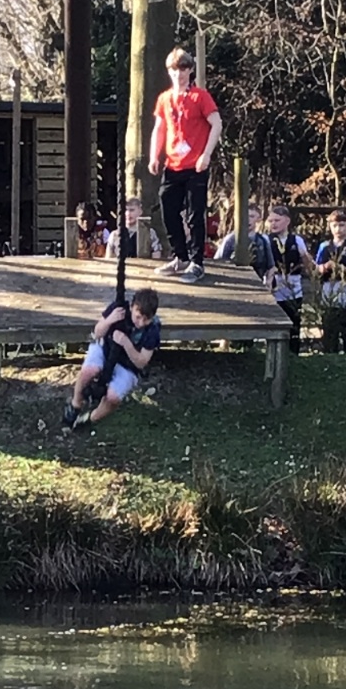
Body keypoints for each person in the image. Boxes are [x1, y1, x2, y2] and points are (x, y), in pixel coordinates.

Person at [148, 46, 222, 285]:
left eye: (182, 69)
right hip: (173, 164)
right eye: (174, 70)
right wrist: (154, 156)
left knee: (195, 214)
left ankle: (196, 261)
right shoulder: (164, 98)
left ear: (190, 70)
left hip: (195, 166)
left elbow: (216, 123)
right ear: (168, 71)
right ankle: (179, 256)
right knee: (167, 207)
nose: (178, 74)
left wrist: (206, 154)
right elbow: (159, 128)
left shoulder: (200, 96)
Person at [64, 287, 161, 429]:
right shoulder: (118, 308)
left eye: (146, 320)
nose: (140, 323)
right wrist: (109, 320)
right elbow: (97, 333)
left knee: (113, 397)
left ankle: (89, 419)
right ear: (132, 307)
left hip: (128, 364)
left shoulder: (153, 329)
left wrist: (126, 343)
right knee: (89, 371)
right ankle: (75, 404)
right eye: (138, 317)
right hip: (106, 348)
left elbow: (141, 362)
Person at [262, 202, 314, 353]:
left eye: (277, 220)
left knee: (293, 322)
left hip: (293, 288)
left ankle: (293, 353)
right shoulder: (265, 240)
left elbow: (307, 261)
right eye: (271, 221)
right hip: (273, 287)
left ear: (287, 221)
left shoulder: (296, 240)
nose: (273, 224)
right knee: (273, 322)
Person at [314, 209, 346, 354]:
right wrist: (323, 268)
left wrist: (339, 268)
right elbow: (316, 269)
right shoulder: (324, 246)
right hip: (328, 294)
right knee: (330, 334)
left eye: (341, 225)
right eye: (334, 225)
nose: (338, 229)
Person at [106, 196, 162, 261]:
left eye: (132, 210)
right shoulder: (114, 235)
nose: (128, 213)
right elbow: (109, 260)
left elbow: (157, 257)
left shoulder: (149, 233)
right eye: (125, 210)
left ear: (140, 211)